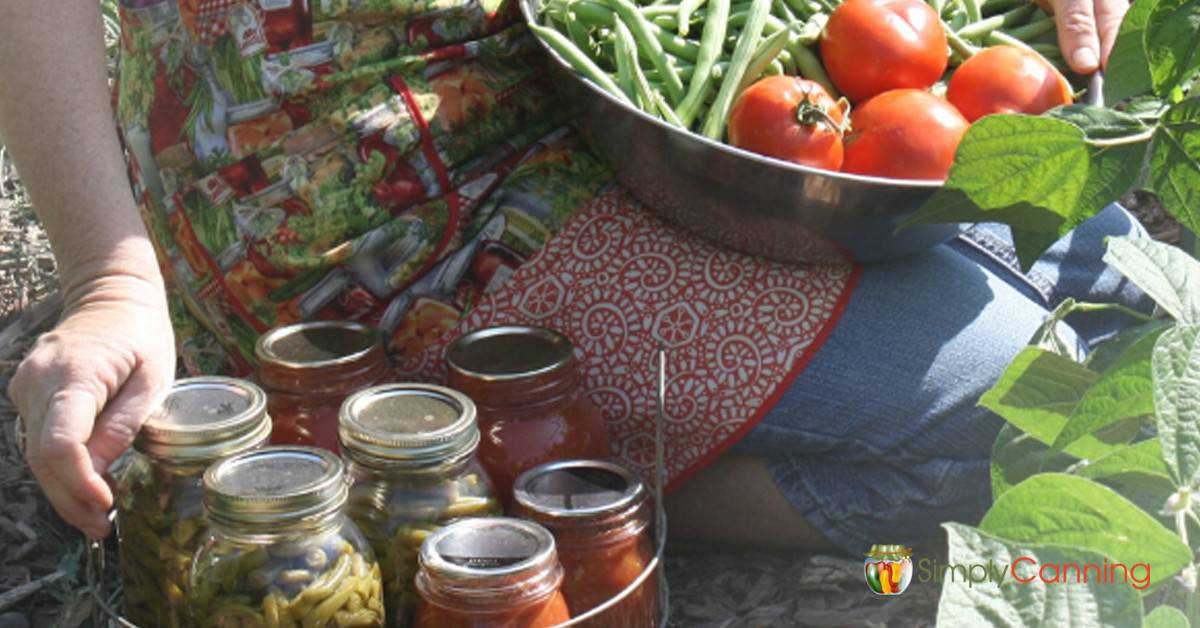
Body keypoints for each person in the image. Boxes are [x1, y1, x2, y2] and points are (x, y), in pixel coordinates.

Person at [0, 0, 1138, 554]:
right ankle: (497, 480)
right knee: (1071, 408)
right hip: (358, 198)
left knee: (1128, 279)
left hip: (601, 94)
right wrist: (111, 275)